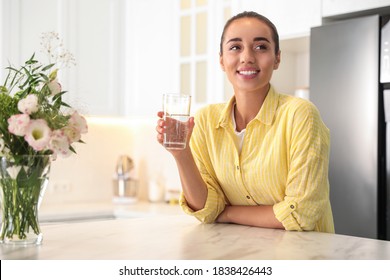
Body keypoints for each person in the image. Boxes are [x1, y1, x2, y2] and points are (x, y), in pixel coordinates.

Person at [156, 11, 334, 233]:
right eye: (235, 47)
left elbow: (299, 213)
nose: (247, 57)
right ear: (221, 60)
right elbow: (205, 208)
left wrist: (227, 212)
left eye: (261, 47)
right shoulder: (205, 120)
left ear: (277, 58)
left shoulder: (300, 115)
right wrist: (181, 154)